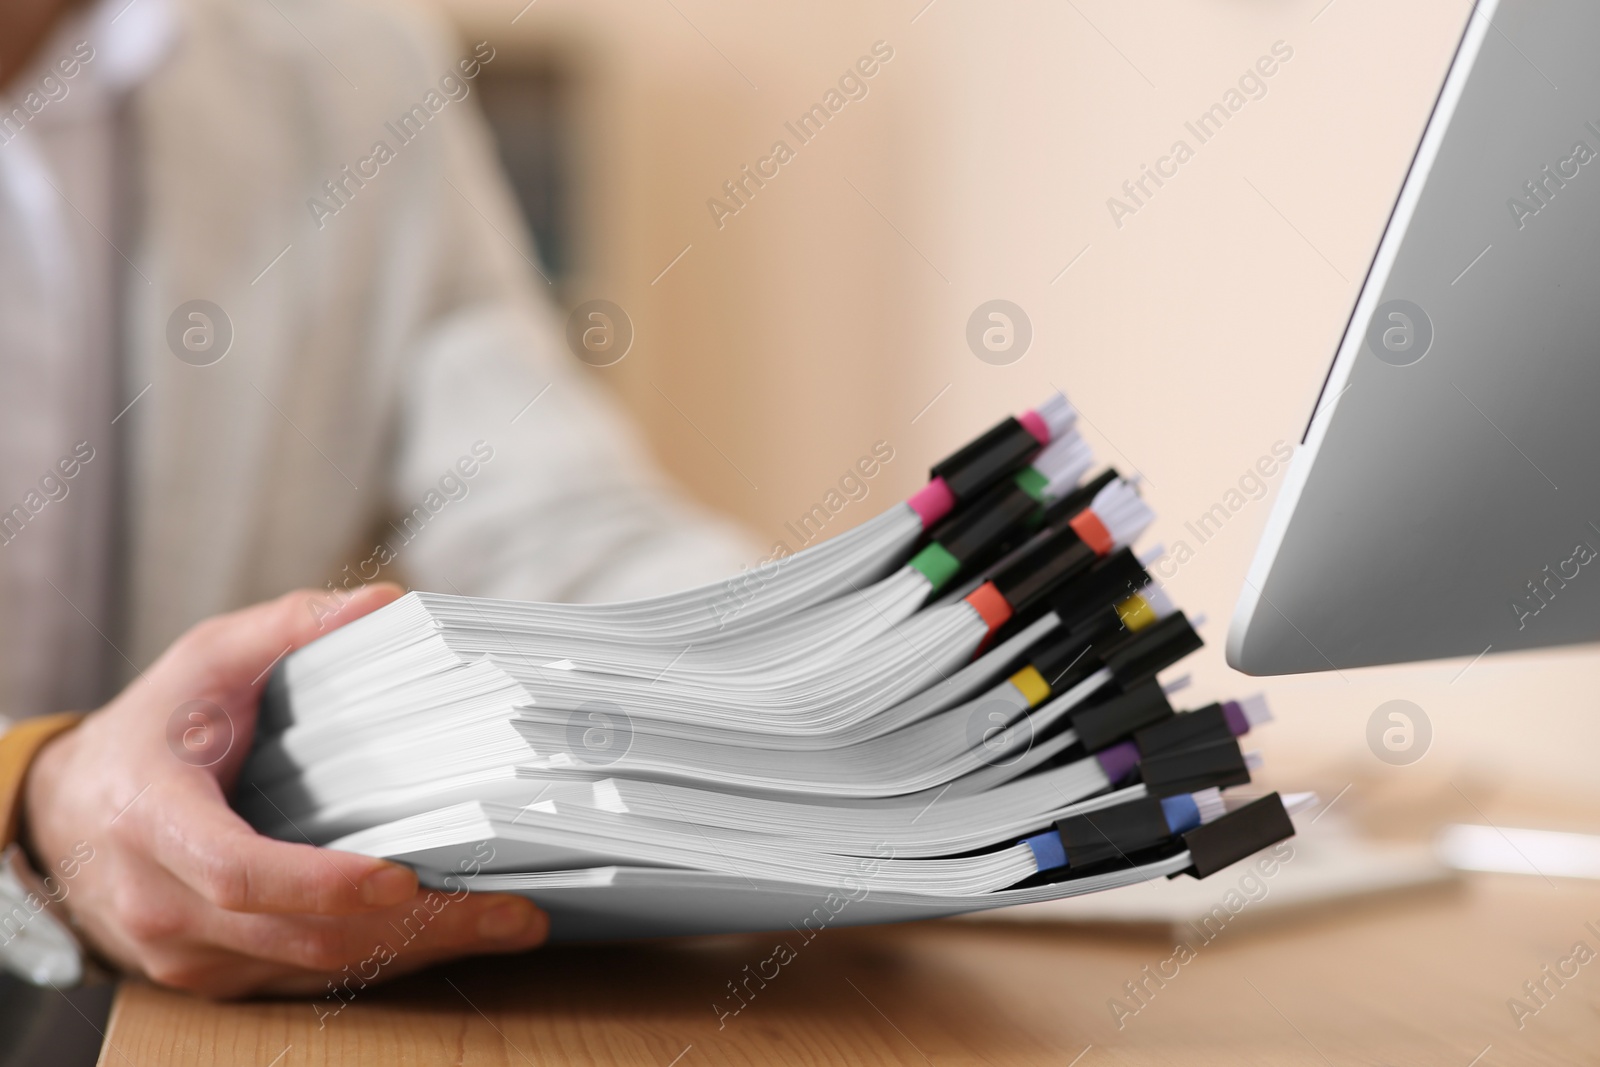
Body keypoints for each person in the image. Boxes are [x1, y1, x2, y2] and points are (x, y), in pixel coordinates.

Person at [0, 0, 754, 997]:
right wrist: (32, 795)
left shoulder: (352, 59)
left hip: (182, 1011)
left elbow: (553, 519)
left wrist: (825, 666)